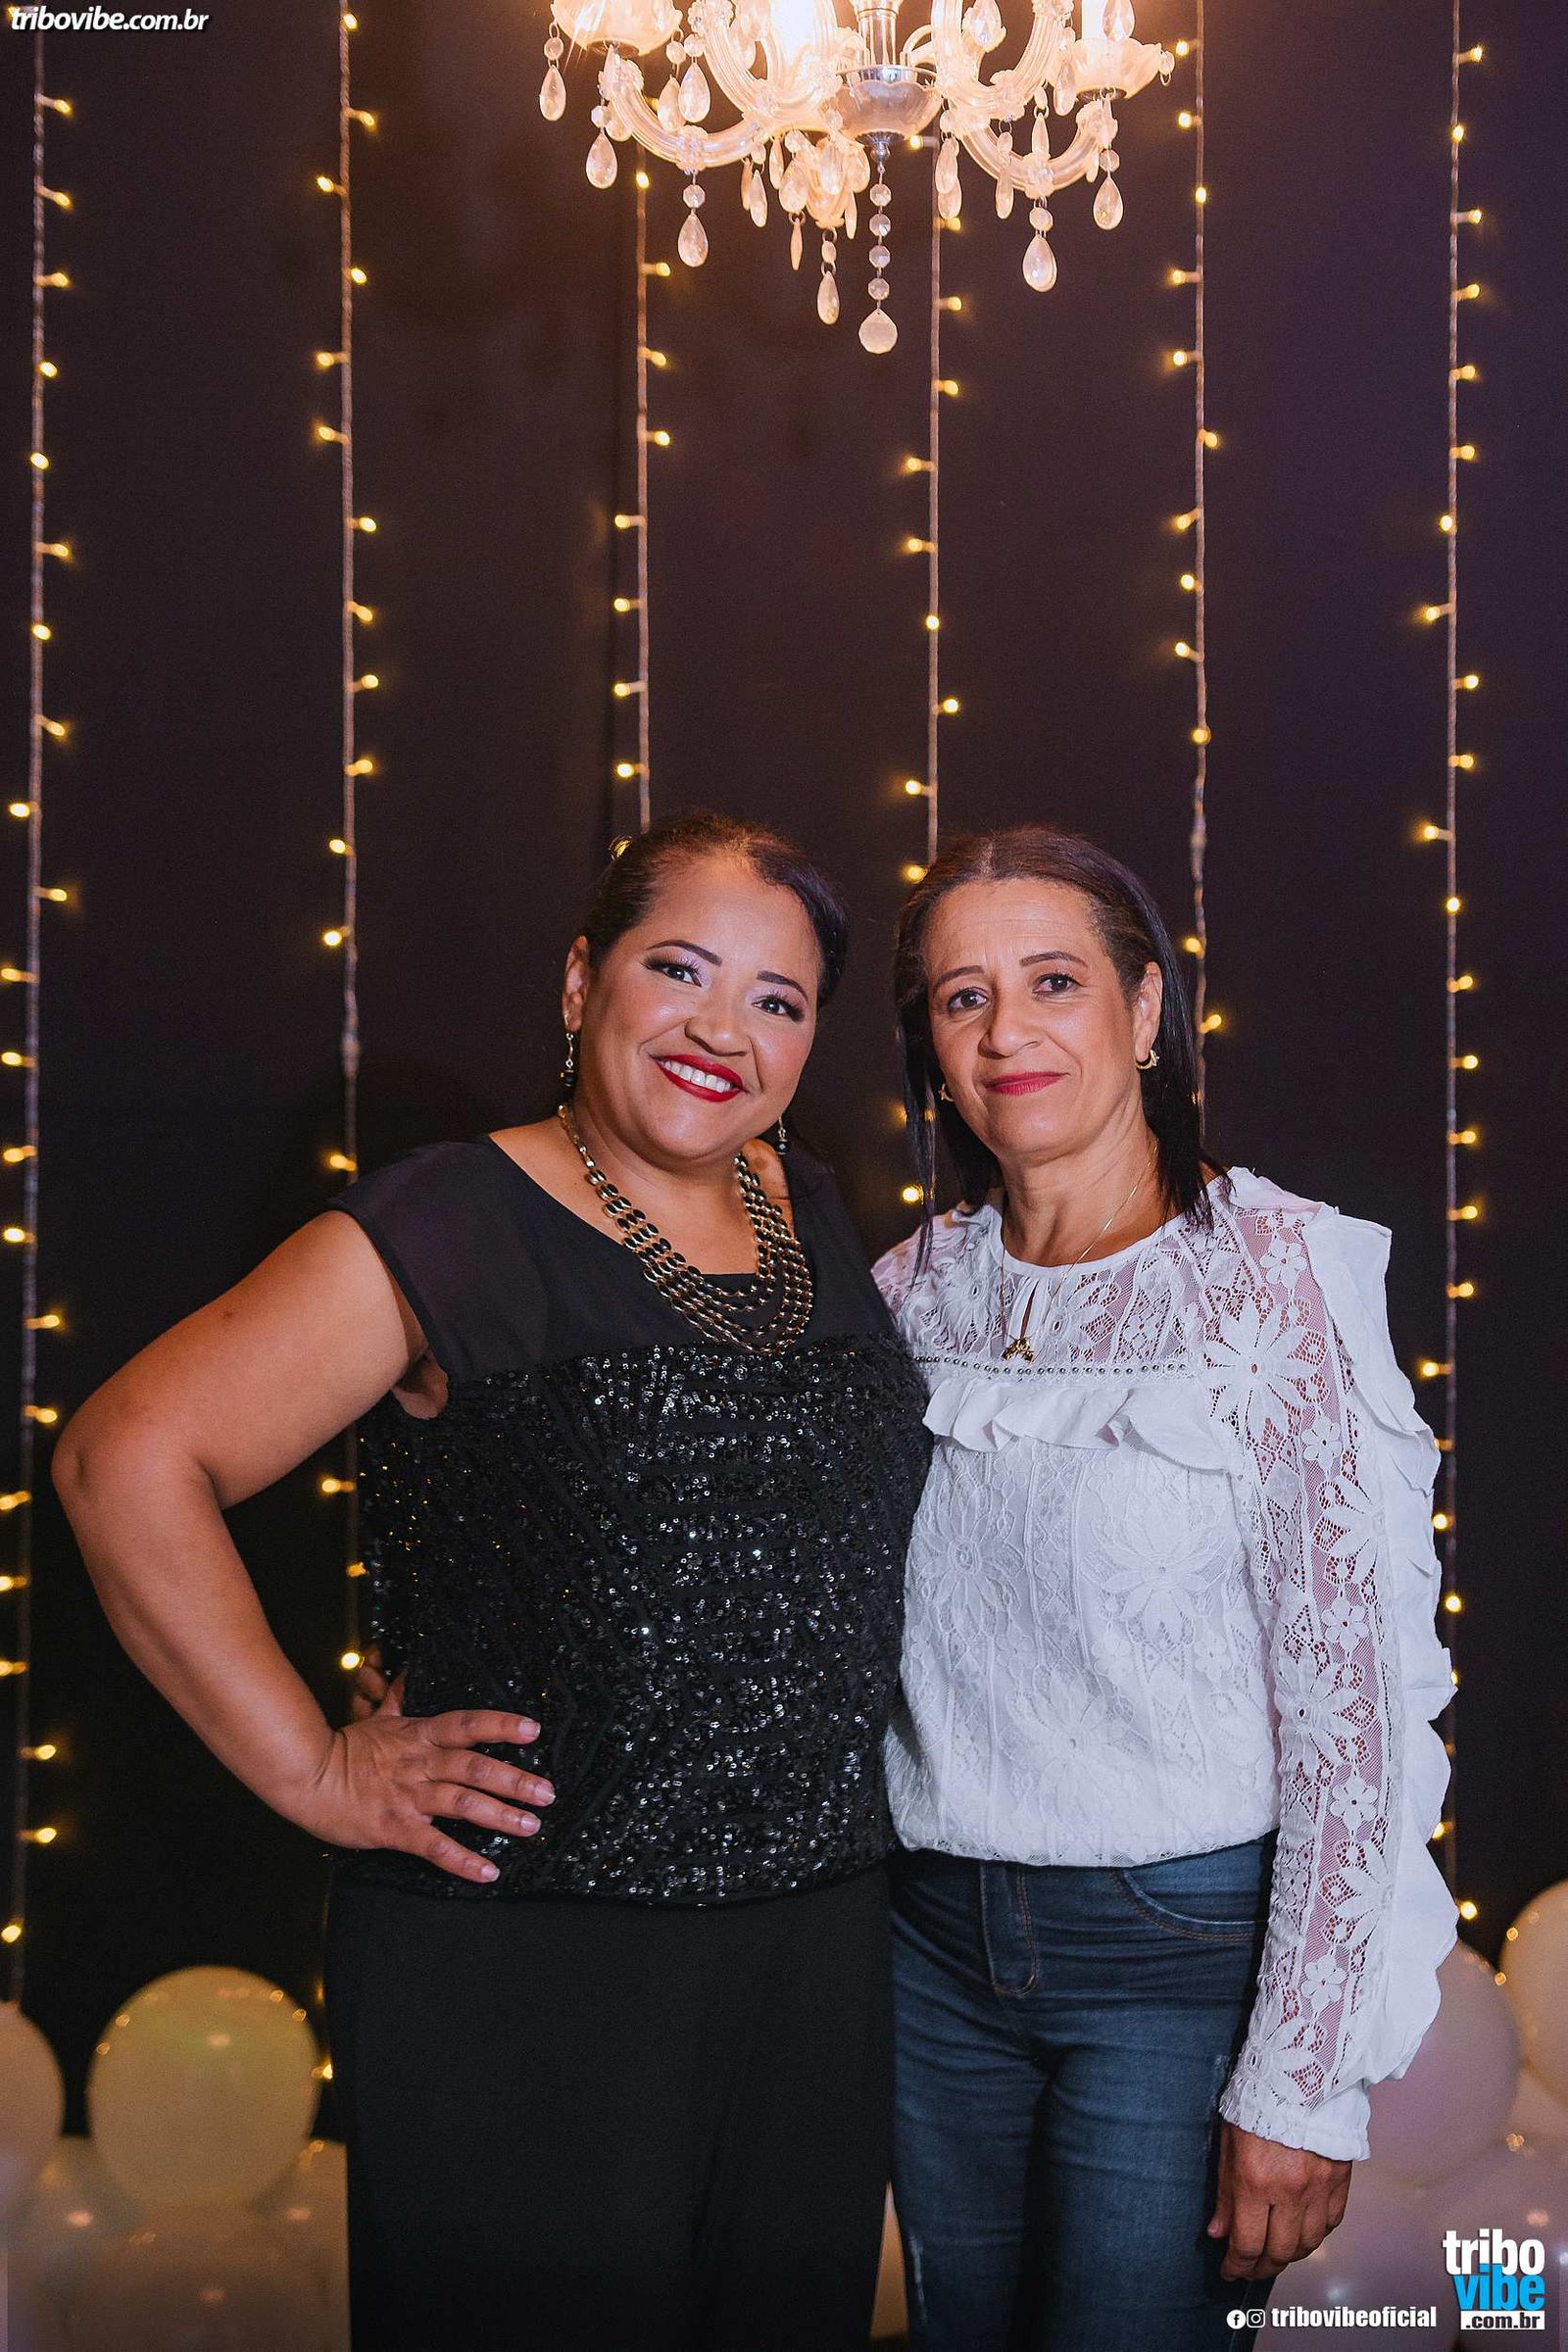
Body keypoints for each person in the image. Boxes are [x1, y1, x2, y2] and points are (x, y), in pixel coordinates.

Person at [52, 810, 932, 2352]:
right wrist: (313, 1765)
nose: (723, 1029)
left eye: (778, 999)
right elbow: (125, 1458)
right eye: (680, 970)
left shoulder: (810, 1212)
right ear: (583, 982)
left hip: (816, 1957)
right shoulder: (451, 1219)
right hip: (532, 1962)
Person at [873, 824, 1456, 2352]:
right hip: (929, 1950)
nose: (1007, 1032)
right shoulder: (908, 1290)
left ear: (1144, 1011)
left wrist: (1302, 2085)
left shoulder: (1275, 1277)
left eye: (1053, 982)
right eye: (962, 997)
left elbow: (1354, 1716)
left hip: (1177, 1957)